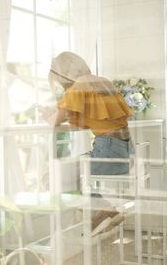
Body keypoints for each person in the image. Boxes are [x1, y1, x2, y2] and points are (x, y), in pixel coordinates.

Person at [43, 51, 134, 235]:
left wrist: (47, 115)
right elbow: (91, 118)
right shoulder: (103, 81)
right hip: (125, 153)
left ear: (64, 73)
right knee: (72, 172)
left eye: (60, 81)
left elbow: (55, 121)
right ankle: (101, 211)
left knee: (54, 177)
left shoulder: (80, 86)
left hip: (108, 152)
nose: (63, 85)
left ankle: (100, 212)